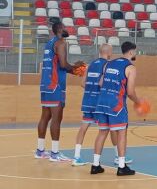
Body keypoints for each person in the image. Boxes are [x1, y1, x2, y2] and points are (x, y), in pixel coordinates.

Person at [72, 44, 132, 166]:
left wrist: (91, 87)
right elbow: (102, 84)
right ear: (109, 53)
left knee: (84, 128)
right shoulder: (108, 65)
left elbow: (83, 83)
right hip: (100, 101)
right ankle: (118, 157)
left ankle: (76, 156)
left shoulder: (90, 65)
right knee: (111, 129)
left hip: (88, 100)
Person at [91, 41, 143, 176]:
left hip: (102, 102)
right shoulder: (131, 68)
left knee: (102, 132)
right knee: (121, 133)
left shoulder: (108, 64)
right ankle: (121, 166)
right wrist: (138, 102)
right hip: (116, 104)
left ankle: (95, 165)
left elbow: (101, 83)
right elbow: (130, 92)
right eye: (135, 52)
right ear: (131, 52)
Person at [36, 22, 83, 162]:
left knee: (45, 116)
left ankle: (40, 151)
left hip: (45, 83)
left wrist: (74, 67)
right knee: (57, 118)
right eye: (64, 27)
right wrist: (77, 68)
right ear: (59, 30)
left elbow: (57, 63)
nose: (67, 29)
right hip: (55, 85)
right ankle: (55, 153)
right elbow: (63, 65)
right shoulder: (61, 43)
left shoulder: (49, 43)